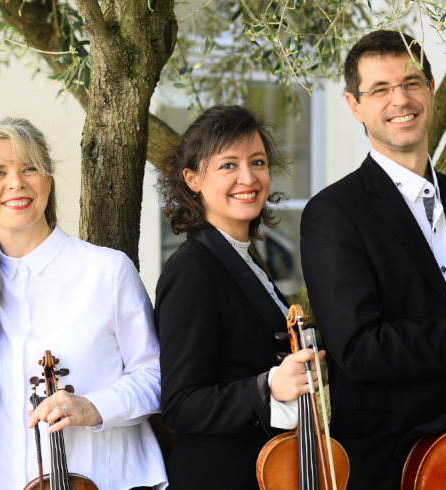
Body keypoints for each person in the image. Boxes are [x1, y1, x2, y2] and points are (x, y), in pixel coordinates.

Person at [299, 30, 446, 489]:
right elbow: (360, 349)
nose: (400, 99)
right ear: (355, 106)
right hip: (396, 460)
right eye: (380, 89)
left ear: (430, 90)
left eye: (412, 82)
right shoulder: (333, 214)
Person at [0, 118, 167, 490]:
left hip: (108, 479)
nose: (16, 183)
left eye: (30, 168)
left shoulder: (107, 270)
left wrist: (96, 406)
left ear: (48, 181)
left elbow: (156, 374)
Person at [154, 104, 324, 489]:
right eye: (228, 165)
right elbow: (180, 405)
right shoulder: (192, 270)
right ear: (193, 178)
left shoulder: (242, 259)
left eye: (258, 162)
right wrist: (267, 388)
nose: (248, 177)